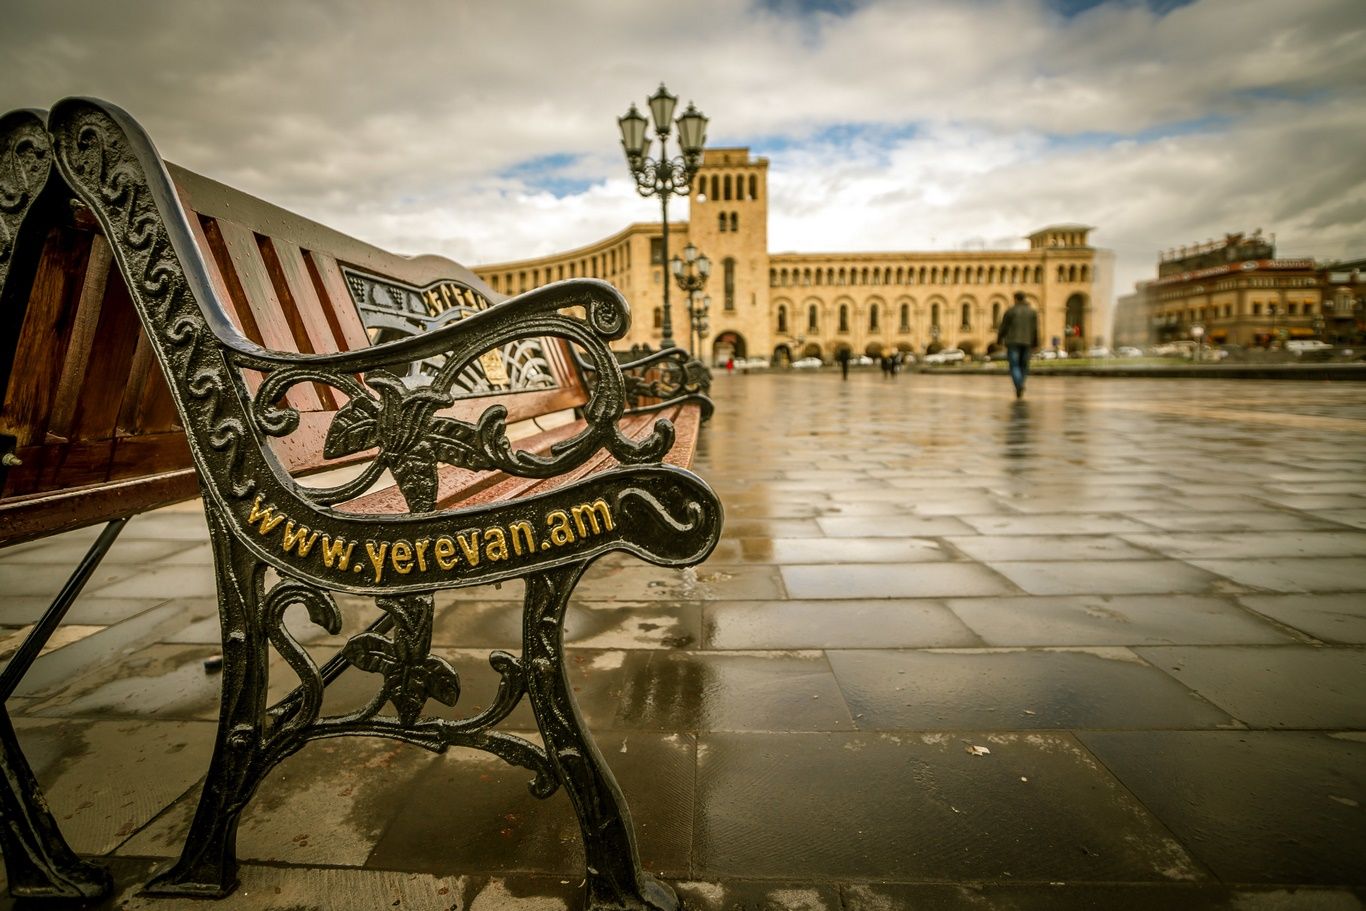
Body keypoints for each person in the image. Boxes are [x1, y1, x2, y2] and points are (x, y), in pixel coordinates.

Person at [996, 291, 1039, 399]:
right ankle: (1021, 384)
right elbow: (1035, 329)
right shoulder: (1032, 312)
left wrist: (999, 339)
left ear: (1015, 299)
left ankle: (1019, 385)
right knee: (1024, 365)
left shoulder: (1010, 311)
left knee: (1014, 365)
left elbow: (1003, 327)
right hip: (1027, 342)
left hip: (1013, 342)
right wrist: (1035, 343)